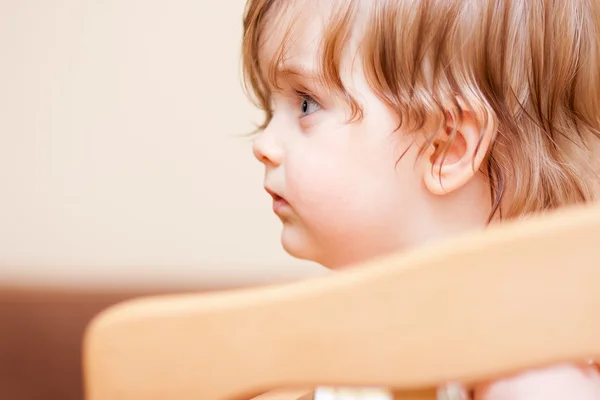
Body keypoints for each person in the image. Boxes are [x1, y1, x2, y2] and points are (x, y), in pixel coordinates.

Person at [242, 0, 600, 398]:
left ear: (446, 148)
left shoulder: (530, 372)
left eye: (306, 103)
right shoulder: (360, 339)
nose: (264, 144)